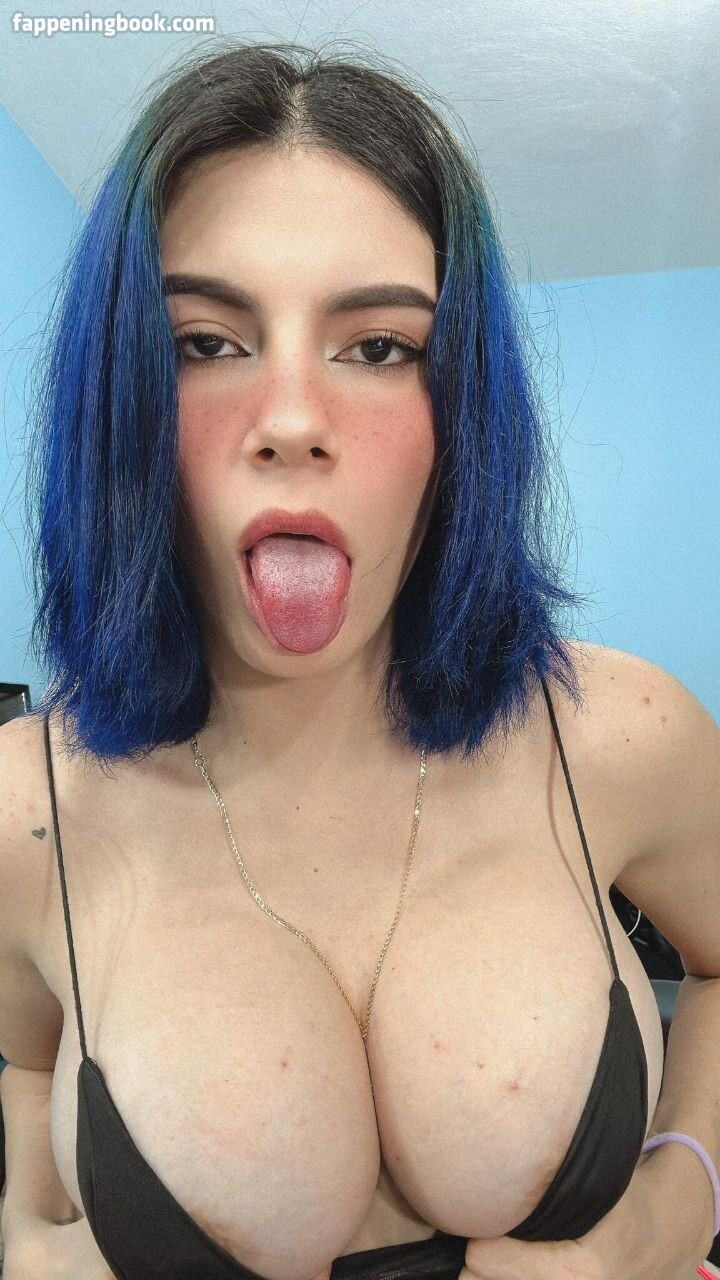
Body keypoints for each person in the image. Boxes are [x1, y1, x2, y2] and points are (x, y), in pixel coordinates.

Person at [1, 38, 718, 1280]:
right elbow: (25, 1058)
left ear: (463, 407)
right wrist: (25, 1232)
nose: (292, 419)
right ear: (118, 399)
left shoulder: (618, 730)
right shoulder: (26, 811)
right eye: (203, 341)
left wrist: (670, 1214)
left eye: (381, 346)